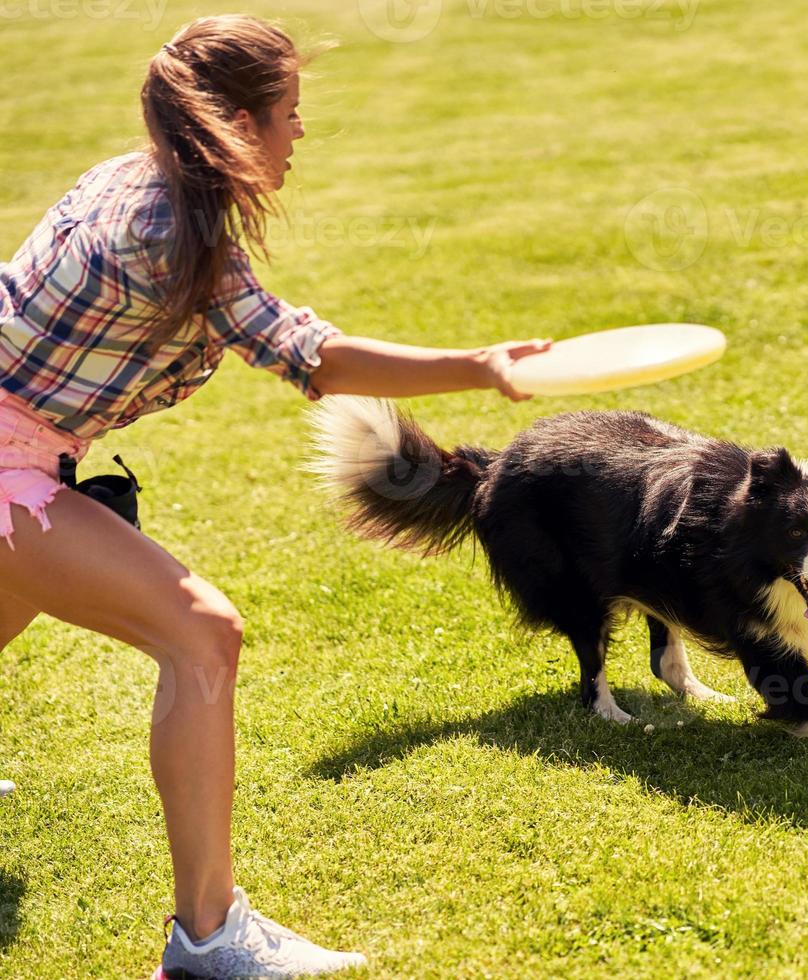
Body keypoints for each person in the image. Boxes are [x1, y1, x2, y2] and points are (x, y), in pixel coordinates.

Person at [0, 15, 551, 978]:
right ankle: (208, 941)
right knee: (203, 634)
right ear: (238, 123)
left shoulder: (138, 182)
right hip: (10, 466)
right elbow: (309, 353)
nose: (300, 132)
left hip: (28, 456)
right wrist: (478, 366)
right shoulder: (167, 229)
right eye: (290, 113)